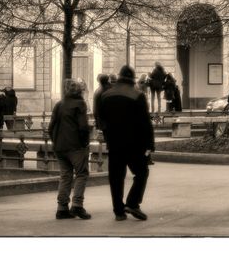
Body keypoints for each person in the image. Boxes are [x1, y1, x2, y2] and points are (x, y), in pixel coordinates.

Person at [96, 65, 154, 221]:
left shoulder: (105, 95)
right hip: (134, 144)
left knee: (116, 177)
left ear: (120, 77)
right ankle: (133, 203)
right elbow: (145, 123)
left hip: (114, 143)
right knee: (141, 173)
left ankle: (119, 211)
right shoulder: (137, 95)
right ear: (132, 79)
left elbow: (101, 119)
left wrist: (107, 135)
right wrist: (150, 144)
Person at [48, 79, 92, 220]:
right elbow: (83, 127)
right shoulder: (80, 104)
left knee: (65, 176)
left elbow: (50, 127)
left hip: (60, 147)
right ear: (80, 91)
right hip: (75, 146)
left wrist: (55, 141)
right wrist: (84, 143)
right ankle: (77, 206)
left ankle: (62, 208)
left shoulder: (59, 104)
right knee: (81, 174)